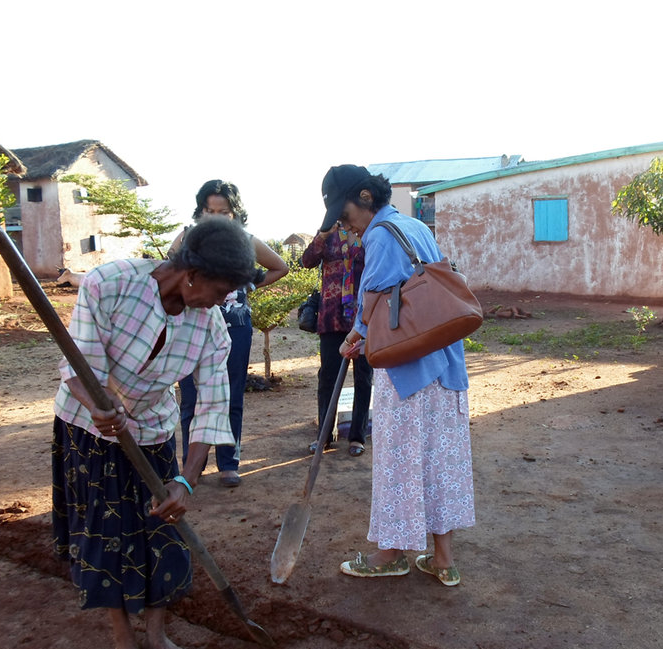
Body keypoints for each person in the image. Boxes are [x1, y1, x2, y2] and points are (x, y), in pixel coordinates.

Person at [51, 215, 255, 649]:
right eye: (221, 291)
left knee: (162, 534)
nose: (222, 303)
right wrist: (99, 406)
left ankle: (158, 635)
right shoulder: (110, 283)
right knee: (108, 535)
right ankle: (124, 641)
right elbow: (78, 361)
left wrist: (186, 478)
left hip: (154, 430)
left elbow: (212, 403)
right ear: (191, 275)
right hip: (88, 427)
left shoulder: (210, 327)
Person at [322, 165, 475, 587]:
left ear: (366, 198)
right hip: (445, 363)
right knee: (439, 460)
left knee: (400, 460)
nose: (344, 222)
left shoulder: (381, 233)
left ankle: (391, 553)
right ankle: (442, 559)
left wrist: (353, 336)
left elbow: (375, 300)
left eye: (345, 211)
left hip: (410, 367)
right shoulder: (413, 225)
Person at [171, 180, 288, 488]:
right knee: (191, 398)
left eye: (223, 212)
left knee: (231, 395)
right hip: (191, 324)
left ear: (236, 214)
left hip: (235, 325)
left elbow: (280, 267)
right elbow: (169, 270)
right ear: (200, 211)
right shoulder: (186, 237)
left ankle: (229, 463)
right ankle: (189, 469)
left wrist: (244, 285)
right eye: (209, 210)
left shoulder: (246, 241)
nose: (215, 217)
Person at [301, 224, 373, 456]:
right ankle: (324, 434)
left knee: (363, 376)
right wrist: (322, 233)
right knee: (328, 378)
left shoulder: (370, 232)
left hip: (365, 317)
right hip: (331, 316)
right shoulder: (329, 233)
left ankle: (357, 437)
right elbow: (307, 260)